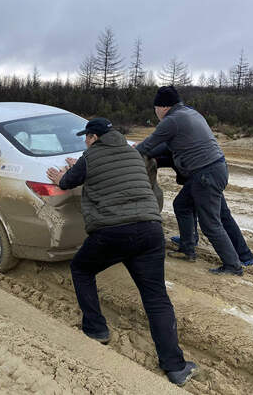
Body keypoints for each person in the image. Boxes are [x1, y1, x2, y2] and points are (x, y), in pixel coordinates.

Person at [46, 118, 197, 386]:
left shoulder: (90, 156)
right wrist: (80, 167)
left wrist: (64, 175)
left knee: (81, 269)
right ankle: (175, 367)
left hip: (111, 232)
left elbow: (68, 182)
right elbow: (113, 174)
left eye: (86, 137)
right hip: (150, 231)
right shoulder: (133, 152)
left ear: (92, 138)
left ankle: (96, 329)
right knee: (156, 296)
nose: (85, 141)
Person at [136, 86, 253, 275]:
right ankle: (187, 247)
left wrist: (125, 153)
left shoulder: (171, 121)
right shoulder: (189, 112)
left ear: (163, 107)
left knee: (211, 223)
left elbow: (148, 145)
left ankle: (233, 265)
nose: (155, 112)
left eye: (155, 108)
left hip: (205, 175)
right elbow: (168, 145)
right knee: (183, 205)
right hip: (216, 168)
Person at [149, 142, 253, 266]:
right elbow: (167, 158)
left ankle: (244, 255)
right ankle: (190, 241)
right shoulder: (181, 138)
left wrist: (142, 150)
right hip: (204, 175)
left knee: (219, 215)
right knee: (186, 205)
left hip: (204, 177)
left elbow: (159, 149)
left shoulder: (175, 137)